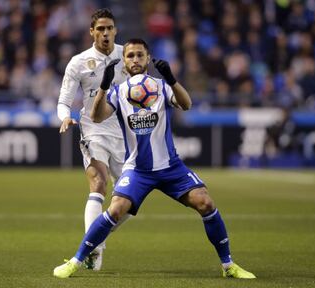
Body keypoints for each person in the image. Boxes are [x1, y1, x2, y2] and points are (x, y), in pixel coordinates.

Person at [53, 38, 256, 279]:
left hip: (170, 167)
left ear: (148, 59)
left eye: (140, 55)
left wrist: (171, 79)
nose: (135, 60)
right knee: (116, 209)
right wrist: (105, 87)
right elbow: (96, 117)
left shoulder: (160, 86)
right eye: (130, 56)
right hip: (138, 170)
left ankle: (228, 265)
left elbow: (187, 104)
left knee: (206, 203)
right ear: (124, 63)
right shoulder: (118, 91)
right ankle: (76, 260)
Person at [56, 8, 129, 271]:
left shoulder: (128, 55)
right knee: (98, 182)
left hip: (125, 134)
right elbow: (64, 101)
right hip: (93, 128)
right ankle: (93, 250)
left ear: (116, 30)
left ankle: (96, 240)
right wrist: (65, 116)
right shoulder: (78, 62)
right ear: (91, 32)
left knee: (130, 201)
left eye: (109, 28)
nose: (106, 33)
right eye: (100, 29)